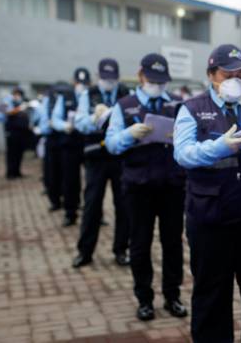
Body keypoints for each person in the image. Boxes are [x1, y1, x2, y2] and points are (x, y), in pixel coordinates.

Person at [174, 44, 241, 343]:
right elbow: (183, 154)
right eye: (228, 73)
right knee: (212, 295)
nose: (236, 79)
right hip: (212, 218)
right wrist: (221, 146)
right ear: (211, 75)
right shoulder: (191, 108)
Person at [105, 53, 187, 321]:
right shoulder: (124, 105)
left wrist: (181, 137)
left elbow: (190, 140)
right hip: (138, 187)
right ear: (140, 76)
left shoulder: (176, 104)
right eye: (152, 80)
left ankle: (172, 295)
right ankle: (144, 298)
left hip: (172, 185)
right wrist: (129, 134)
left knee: (172, 242)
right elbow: (112, 143)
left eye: (162, 81)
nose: (157, 85)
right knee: (140, 243)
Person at [72, 58, 131, 268]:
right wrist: (93, 118)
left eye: (112, 78)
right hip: (96, 158)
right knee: (92, 204)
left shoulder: (125, 93)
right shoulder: (89, 94)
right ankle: (85, 251)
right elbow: (79, 123)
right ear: (98, 77)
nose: (109, 82)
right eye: (105, 78)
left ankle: (121, 249)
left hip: (120, 157)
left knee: (123, 205)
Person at [49, 70, 89, 227]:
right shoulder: (65, 97)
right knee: (70, 180)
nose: (81, 86)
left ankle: (94, 214)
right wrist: (65, 126)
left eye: (84, 83)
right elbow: (55, 119)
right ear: (74, 82)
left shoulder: (92, 96)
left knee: (93, 181)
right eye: (79, 83)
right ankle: (70, 212)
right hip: (70, 143)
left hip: (87, 143)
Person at [3, 87, 32, 179]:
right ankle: (10, 173)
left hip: (22, 132)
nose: (17, 96)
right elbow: (5, 112)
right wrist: (19, 108)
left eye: (19, 94)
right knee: (11, 153)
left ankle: (17, 171)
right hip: (12, 132)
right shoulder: (7, 101)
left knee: (20, 152)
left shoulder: (23, 102)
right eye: (15, 94)